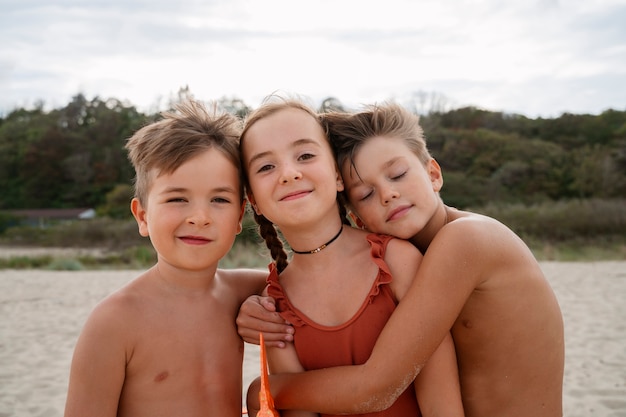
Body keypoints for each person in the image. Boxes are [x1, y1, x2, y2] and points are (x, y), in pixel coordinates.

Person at [237, 102, 565, 417]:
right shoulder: (413, 257)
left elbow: (378, 386)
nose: (387, 194)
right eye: (365, 194)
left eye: (397, 174)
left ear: (433, 173)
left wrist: (263, 391)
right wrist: (255, 300)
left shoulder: (466, 239)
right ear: (357, 215)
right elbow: (317, 274)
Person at [239, 98, 464, 416]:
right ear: (254, 201)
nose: (288, 173)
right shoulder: (274, 304)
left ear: (337, 176)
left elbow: (443, 404)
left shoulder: (396, 261)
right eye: (266, 167)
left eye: (305, 155)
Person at [64, 100, 267, 417]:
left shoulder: (243, 290)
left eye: (219, 199)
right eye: (177, 198)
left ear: (240, 216)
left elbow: (306, 282)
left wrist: (265, 305)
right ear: (142, 216)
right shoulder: (114, 322)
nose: (200, 217)